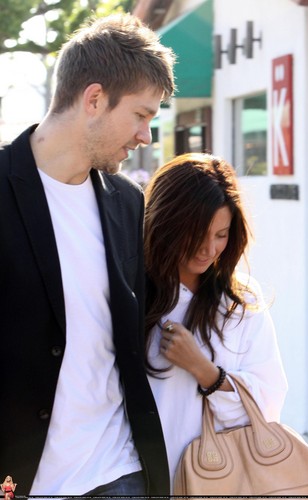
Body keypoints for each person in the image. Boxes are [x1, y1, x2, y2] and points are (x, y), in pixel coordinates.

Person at [0, 12, 175, 497]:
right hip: (27, 480)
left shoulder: (126, 201)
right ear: (94, 99)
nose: (146, 137)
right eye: (141, 115)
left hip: (121, 471)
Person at [144, 153, 288, 492]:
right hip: (136, 478)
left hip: (221, 481)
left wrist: (204, 371)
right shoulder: (132, 293)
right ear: (167, 222)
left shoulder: (241, 301)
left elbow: (268, 401)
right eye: (196, 233)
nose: (209, 250)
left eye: (221, 234)